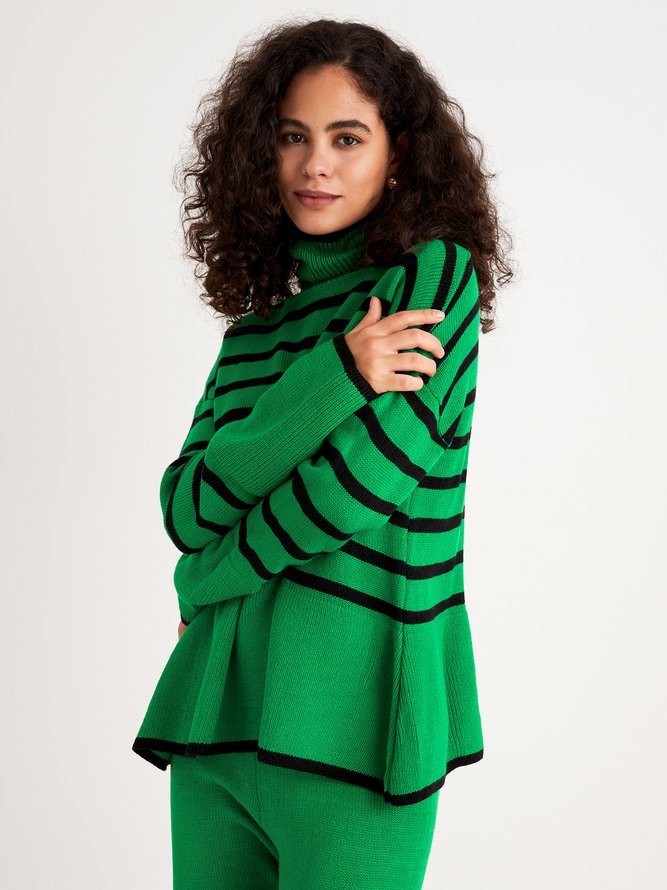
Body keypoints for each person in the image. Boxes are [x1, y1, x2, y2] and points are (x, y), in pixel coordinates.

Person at [132, 17, 513, 890]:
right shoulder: (253, 335)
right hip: (214, 722)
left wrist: (205, 579)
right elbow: (186, 506)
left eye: (346, 138)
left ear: (397, 153)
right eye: (292, 137)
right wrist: (338, 371)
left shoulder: (430, 281)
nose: (315, 165)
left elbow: (356, 487)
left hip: (356, 725)